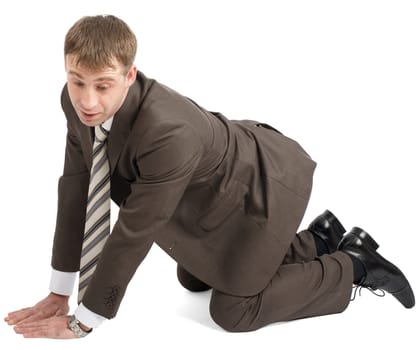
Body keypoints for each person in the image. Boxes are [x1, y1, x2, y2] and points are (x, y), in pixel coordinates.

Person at [4, 15, 415, 339]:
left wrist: (87, 319)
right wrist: (60, 290)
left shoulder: (167, 132)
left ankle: (355, 263)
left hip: (260, 190)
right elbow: (76, 187)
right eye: (77, 81)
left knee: (233, 310)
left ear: (130, 77)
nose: (87, 101)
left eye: (103, 85)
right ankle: (319, 239)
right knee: (194, 276)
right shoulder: (74, 102)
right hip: (203, 198)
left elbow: (134, 232)